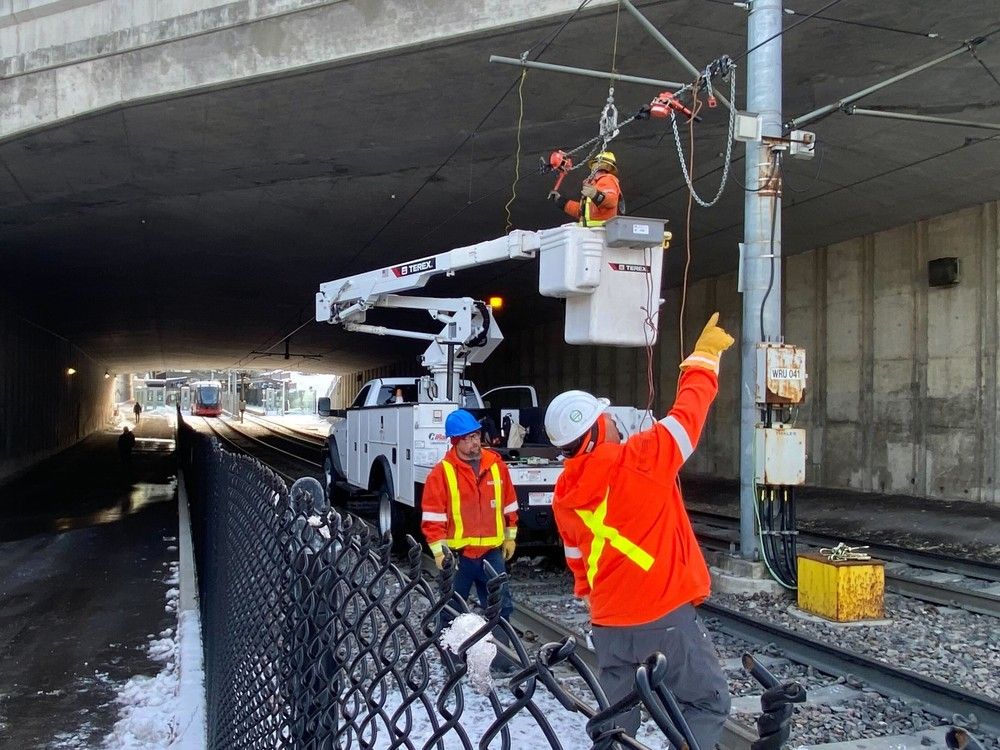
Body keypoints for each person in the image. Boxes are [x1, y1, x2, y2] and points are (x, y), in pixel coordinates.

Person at [543, 313, 735, 749]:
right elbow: (689, 414)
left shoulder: (564, 492)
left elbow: (578, 564)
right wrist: (703, 359)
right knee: (706, 704)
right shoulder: (641, 458)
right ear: (595, 430)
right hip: (663, 613)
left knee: (616, 722)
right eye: (604, 417)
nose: (612, 421)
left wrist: (604, 596)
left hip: (608, 622)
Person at [421, 409, 519, 625]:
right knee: (450, 612)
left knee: (501, 610)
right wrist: (440, 553)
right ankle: (451, 656)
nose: (476, 442)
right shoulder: (441, 474)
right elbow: (433, 519)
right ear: (456, 441)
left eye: (476, 435)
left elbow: (509, 504)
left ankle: (499, 656)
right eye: (469, 438)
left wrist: (510, 536)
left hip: (491, 553)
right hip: (458, 557)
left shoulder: (497, 466)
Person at [548, 151, 623, 227]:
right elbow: (581, 211)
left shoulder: (607, 179)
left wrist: (596, 195)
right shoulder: (594, 185)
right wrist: (561, 201)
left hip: (601, 231)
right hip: (593, 231)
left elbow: (612, 201)